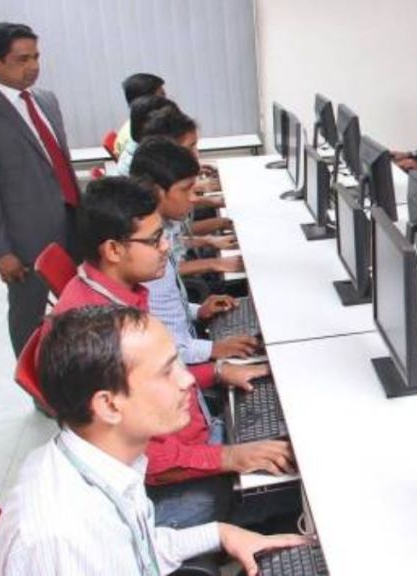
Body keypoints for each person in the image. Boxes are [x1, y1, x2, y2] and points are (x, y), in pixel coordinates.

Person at [0, 306, 309, 575]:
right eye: (166, 372)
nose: (187, 379)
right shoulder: (65, 539)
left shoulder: (101, 462)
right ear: (109, 405)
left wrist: (222, 533)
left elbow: (140, 549)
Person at [46, 177, 294, 528]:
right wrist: (230, 457)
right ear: (113, 250)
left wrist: (218, 371)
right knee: (310, 480)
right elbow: (146, 461)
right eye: (154, 240)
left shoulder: (117, 293)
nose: (166, 247)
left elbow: (151, 378)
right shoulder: (99, 333)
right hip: (170, 490)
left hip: (196, 440)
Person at [0, 22, 81, 357]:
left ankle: (77, 368)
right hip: (27, 239)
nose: (33, 66)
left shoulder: (47, 100)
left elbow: (59, 162)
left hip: (73, 221)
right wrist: (1, 252)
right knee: (28, 315)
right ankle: (31, 378)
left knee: (78, 304)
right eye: (22, 59)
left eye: (36, 57)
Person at [130, 138, 257, 369]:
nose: (194, 197)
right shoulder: (146, 255)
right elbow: (164, 353)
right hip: (180, 368)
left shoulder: (158, 236)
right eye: (185, 189)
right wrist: (213, 350)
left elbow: (164, 310)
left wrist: (198, 311)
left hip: (189, 342)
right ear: (157, 192)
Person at [113, 72, 166, 157]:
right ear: (146, 100)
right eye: (162, 95)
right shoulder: (139, 136)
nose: (166, 100)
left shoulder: (136, 125)